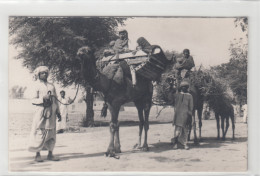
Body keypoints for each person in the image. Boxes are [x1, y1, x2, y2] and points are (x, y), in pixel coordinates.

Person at [28, 66, 61, 162]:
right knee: (39, 132)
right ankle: (37, 154)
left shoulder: (52, 85)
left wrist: (58, 112)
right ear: (38, 74)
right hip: (40, 112)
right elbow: (32, 100)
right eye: (42, 73)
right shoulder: (36, 85)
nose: (44, 74)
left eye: (46, 73)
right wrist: (43, 99)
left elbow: (56, 100)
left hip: (52, 112)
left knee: (51, 133)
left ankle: (50, 154)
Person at [171, 80, 193, 150]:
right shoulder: (177, 95)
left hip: (185, 115)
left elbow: (191, 107)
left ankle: (185, 144)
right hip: (178, 115)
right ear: (180, 88)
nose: (184, 88)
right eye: (183, 87)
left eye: (185, 87)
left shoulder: (189, 96)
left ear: (187, 88)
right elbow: (171, 98)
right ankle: (175, 143)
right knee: (177, 130)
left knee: (185, 130)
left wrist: (189, 115)